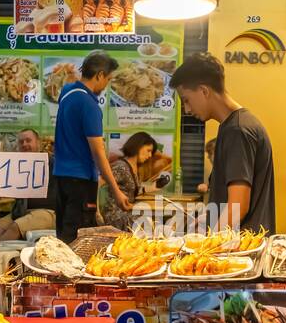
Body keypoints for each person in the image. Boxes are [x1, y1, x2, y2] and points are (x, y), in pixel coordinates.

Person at [171, 53, 275, 234]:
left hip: (242, 249)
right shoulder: (232, 126)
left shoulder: (238, 130)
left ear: (204, 91)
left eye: (186, 100)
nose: (187, 109)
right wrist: (207, 220)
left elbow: (238, 207)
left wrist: (208, 246)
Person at [53, 51, 130, 242]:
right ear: (99, 75)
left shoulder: (67, 93)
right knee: (79, 239)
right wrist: (116, 191)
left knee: (64, 234)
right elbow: (98, 151)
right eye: (108, 79)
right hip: (80, 182)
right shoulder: (88, 105)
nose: (106, 85)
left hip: (60, 178)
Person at [0, 128, 56, 240]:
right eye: (21, 142)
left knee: (15, 227)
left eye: (28, 140)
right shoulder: (15, 166)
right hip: (21, 212)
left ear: (38, 143)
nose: (24, 144)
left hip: (48, 212)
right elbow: (3, 185)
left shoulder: (51, 162)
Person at [101, 132, 156, 232]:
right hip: (116, 216)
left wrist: (153, 187)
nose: (150, 155)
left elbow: (132, 190)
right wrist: (97, 211)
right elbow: (100, 181)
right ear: (138, 146)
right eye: (148, 151)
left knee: (152, 219)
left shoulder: (133, 167)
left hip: (127, 212)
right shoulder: (121, 167)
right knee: (151, 222)